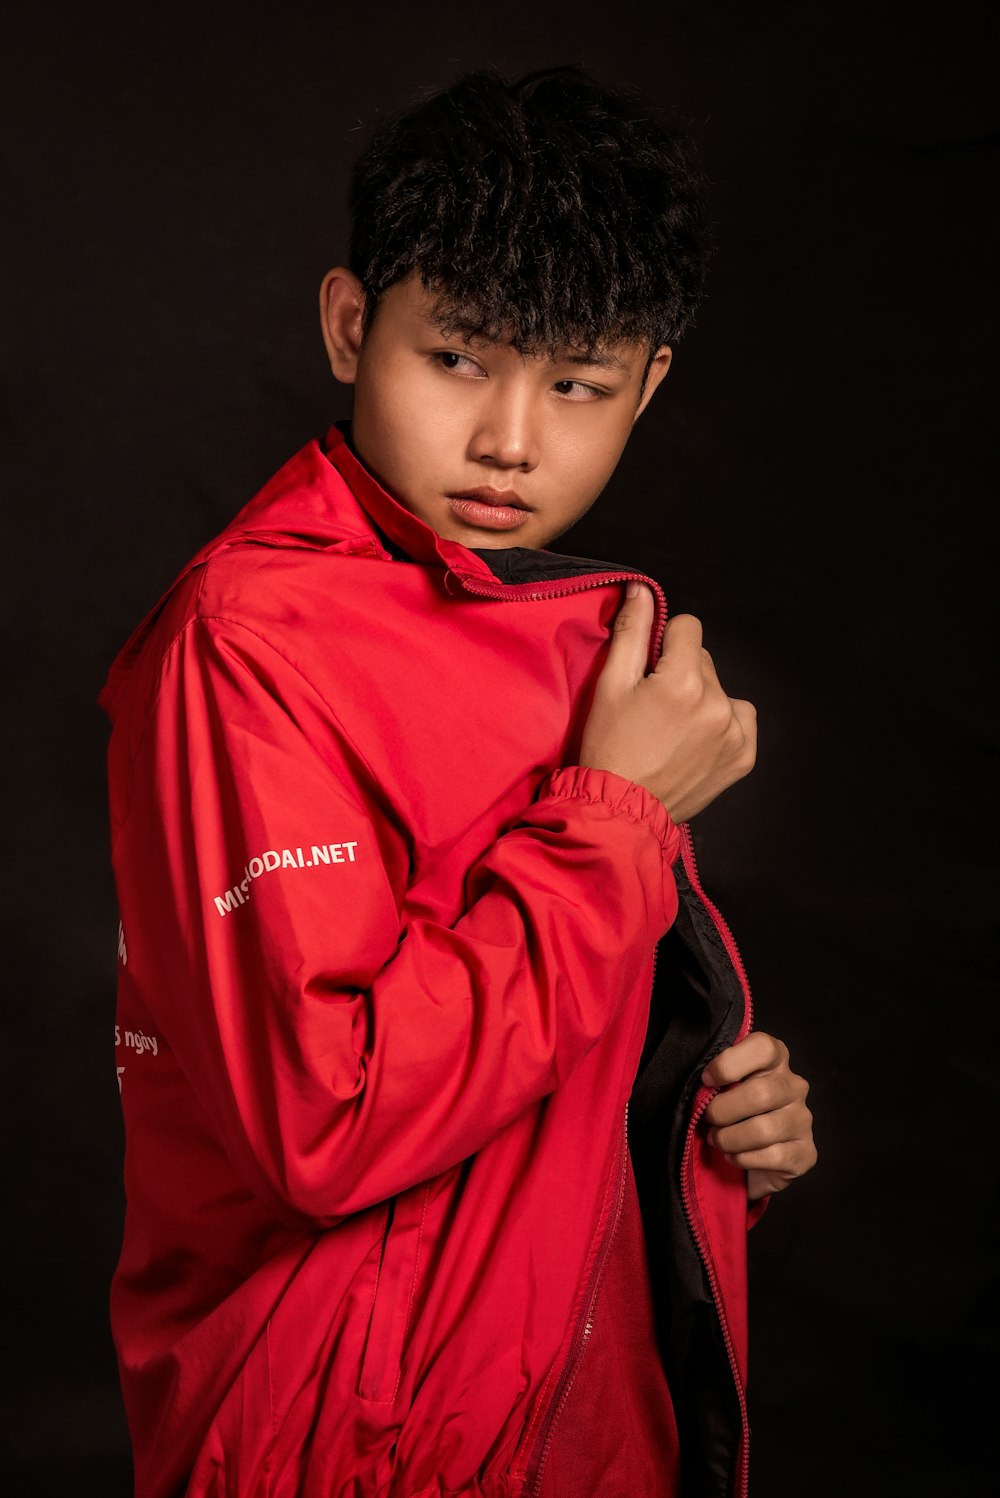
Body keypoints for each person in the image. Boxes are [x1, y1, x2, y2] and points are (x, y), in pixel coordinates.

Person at [100, 66, 816, 1498]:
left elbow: (538, 1047)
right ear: (352, 325)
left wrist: (704, 1113)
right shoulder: (248, 640)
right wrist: (616, 819)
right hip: (344, 1440)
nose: (510, 439)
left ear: (650, 381)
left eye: (576, 384)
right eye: (457, 360)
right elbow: (327, 1119)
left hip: (582, 1417)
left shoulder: (572, 635)